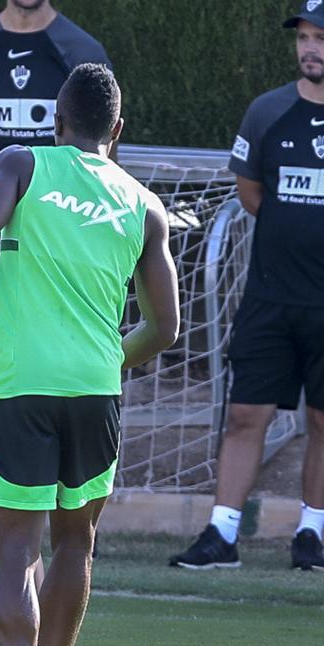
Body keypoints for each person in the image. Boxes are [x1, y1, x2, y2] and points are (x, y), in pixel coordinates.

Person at [0, 64, 179, 646]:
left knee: (14, 547)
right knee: (76, 543)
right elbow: (165, 329)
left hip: (20, 387)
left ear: (55, 121)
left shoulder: (20, 165)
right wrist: (107, 359)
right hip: (95, 393)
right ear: (117, 129)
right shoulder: (144, 206)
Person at [170, 2, 324, 572]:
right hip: (270, 299)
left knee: (322, 423)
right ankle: (222, 534)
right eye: (304, 37)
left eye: (321, 38)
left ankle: (311, 536)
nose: (311, 48)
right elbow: (250, 193)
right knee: (244, 416)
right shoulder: (267, 112)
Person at [0, 0, 110, 465]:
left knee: (51, 370)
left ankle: (40, 493)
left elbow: (98, 159)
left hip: (59, 240)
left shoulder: (81, 49)